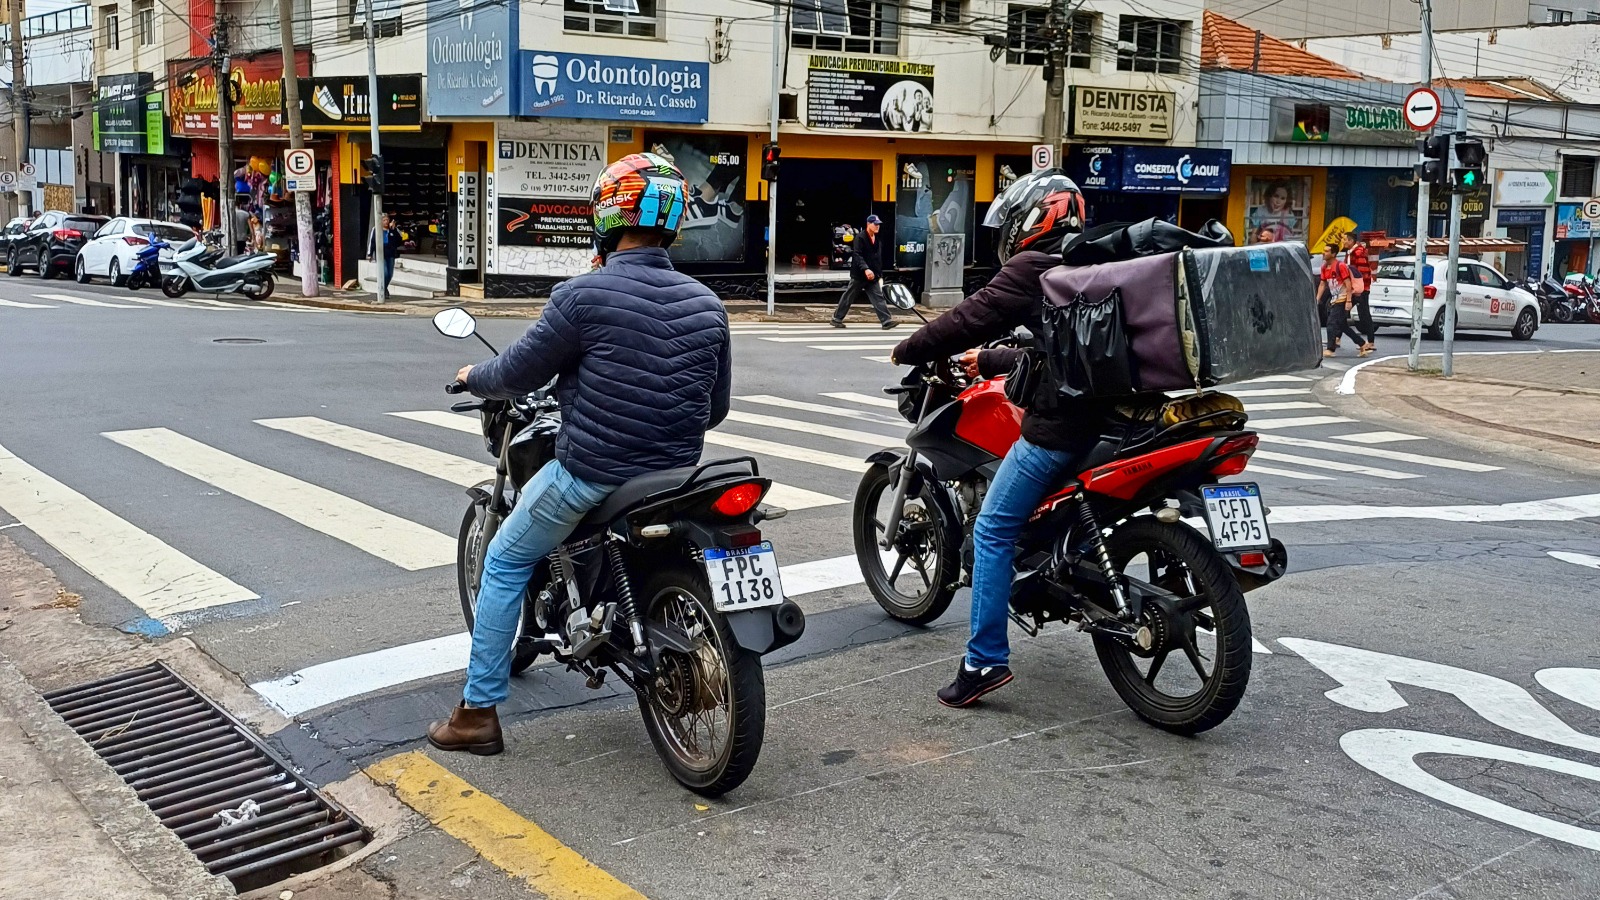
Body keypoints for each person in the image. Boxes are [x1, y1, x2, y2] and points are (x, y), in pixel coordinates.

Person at [427, 153, 732, 755]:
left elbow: (516, 371)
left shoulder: (581, 295)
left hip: (594, 473)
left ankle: (477, 712)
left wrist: (472, 374)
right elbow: (713, 407)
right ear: (672, 218)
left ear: (607, 215)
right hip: (677, 473)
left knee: (506, 559)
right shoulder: (707, 303)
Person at [889, 169, 1106, 708]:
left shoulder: (1034, 266)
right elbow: (1061, 352)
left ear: (1033, 219)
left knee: (990, 531)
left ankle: (983, 660)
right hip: (1115, 421)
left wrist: (908, 348)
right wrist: (987, 360)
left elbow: (969, 317)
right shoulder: (1096, 262)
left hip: (1061, 428)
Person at [831, 214, 897, 330]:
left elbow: (877, 258)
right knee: (849, 296)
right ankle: (837, 318)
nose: (877, 227)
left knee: (878, 297)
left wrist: (878, 273)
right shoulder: (860, 238)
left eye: (878, 225)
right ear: (868, 224)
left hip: (873, 276)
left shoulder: (877, 239)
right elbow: (857, 255)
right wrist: (866, 269)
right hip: (860, 275)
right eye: (875, 224)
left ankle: (886, 321)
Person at [1318, 244, 1365, 357]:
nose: (1323, 253)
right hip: (1335, 299)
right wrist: (1317, 299)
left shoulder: (1340, 266)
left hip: (1343, 299)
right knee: (1342, 325)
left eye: (1327, 251)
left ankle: (1330, 349)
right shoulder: (1324, 267)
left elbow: (1348, 284)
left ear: (1333, 254)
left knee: (1331, 323)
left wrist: (1348, 301)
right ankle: (1362, 344)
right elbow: (1322, 284)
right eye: (1324, 251)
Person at [1341, 232, 1376, 353]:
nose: (1343, 242)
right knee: (1342, 312)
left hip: (1360, 289)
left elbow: (1362, 272)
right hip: (1353, 288)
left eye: (1345, 240)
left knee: (1364, 314)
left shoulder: (1359, 252)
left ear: (1351, 241)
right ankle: (1335, 339)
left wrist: (1359, 289)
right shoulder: (1350, 253)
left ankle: (1370, 341)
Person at [369, 213, 402, 293]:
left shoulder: (393, 230)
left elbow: (399, 241)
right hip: (381, 253)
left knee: (390, 274)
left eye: (387, 220)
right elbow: (372, 242)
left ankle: (384, 288)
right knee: (385, 273)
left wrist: (394, 230)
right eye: (384, 220)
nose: (386, 222)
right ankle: (383, 289)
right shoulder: (376, 229)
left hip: (390, 254)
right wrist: (370, 254)